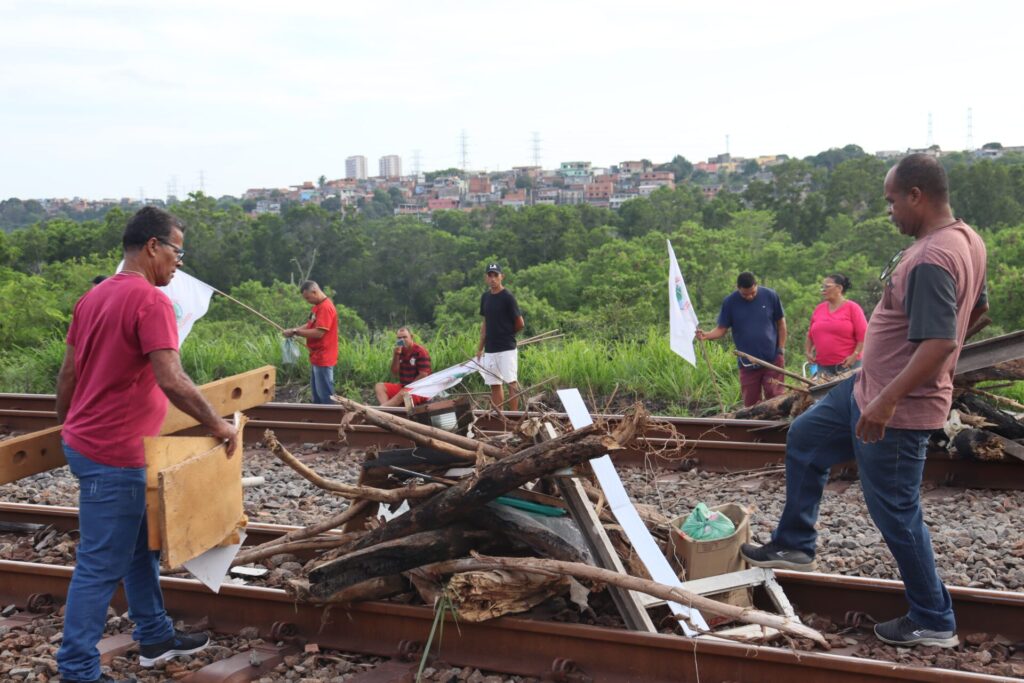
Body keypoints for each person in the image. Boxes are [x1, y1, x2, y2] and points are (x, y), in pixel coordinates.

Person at [740, 154, 988, 649]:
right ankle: (794, 544)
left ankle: (933, 619)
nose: (889, 210)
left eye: (892, 200)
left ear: (916, 195)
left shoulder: (933, 259)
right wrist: (880, 379)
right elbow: (977, 312)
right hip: (865, 390)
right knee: (807, 437)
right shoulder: (965, 240)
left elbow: (940, 342)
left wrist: (890, 399)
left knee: (895, 511)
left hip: (894, 407)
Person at [55, 206, 238, 683]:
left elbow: (68, 375)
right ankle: (77, 670)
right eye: (177, 250)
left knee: (141, 549)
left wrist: (67, 426)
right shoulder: (151, 302)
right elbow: (172, 379)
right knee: (99, 565)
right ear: (153, 246)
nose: (179, 261)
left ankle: (154, 636)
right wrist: (218, 425)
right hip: (113, 455)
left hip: (101, 445)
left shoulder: (92, 298)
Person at [695, 272, 787, 407]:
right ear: (738, 288)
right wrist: (706, 335)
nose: (750, 297)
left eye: (753, 293)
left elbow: (781, 323)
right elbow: (721, 329)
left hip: (772, 359)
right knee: (751, 403)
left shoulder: (770, 296)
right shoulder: (730, 302)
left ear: (756, 285)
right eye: (745, 294)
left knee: (775, 400)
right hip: (747, 364)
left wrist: (781, 349)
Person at [476, 263, 524, 411]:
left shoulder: (508, 297)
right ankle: (500, 417)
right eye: (490, 275)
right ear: (486, 278)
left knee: (511, 382)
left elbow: (520, 323)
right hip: (490, 348)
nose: (493, 279)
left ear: (501, 276)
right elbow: (485, 322)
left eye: (495, 275)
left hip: (506, 348)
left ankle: (514, 416)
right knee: (495, 384)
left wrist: (507, 334)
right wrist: (480, 348)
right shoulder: (485, 297)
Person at [283, 281, 338, 405]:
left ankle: (329, 420)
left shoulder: (325, 307)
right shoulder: (317, 307)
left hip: (324, 357)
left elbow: (319, 332)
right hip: (316, 356)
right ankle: (318, 421)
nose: (307, 300)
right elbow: (310, 325)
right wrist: (294, 330)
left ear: (315, 291)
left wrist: (297, 332)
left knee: (325, 396)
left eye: (308, 297)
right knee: (317, 396)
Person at [805, 274, 868, 378]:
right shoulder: (818, 309)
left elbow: (864, 336)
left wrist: (854, 355)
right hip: (823, 368)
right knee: (825, 394)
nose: (823, 290)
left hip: (848, 366)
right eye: (822, 287)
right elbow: (810, 335)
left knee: (849, 393)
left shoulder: (852, 308)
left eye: (827, 287)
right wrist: (808, 352)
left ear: (839, 288)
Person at [374, 326, 432, 407]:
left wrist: (408, 387)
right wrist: (396, 355)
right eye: (399, 338)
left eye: (405, 337)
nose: (402, 340)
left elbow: (423, 375)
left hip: (420, 390)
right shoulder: (400, 351)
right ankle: (387, 408)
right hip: (404, 386)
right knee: (379, 386)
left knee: (403, 393)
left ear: (411, 337)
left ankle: (382, 410)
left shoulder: (420, 351)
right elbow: (394, 372)